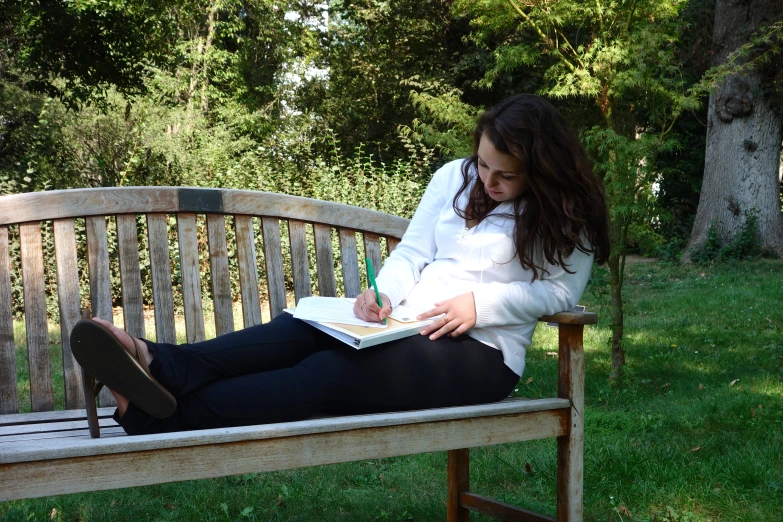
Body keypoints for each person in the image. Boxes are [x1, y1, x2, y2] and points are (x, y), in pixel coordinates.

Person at [70, 93, 610, 435]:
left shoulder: (569, 213)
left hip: (480, 354)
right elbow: (414, 253)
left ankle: (149, 413)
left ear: (541, 170)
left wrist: (482, 303)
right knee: (299, 332)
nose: (487, 183)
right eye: (484, 164)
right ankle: (158, 362)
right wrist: (386, 295)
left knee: (330, 373)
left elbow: (561, 296)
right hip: (404, 324)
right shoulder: (456, 176)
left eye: (505, 176)